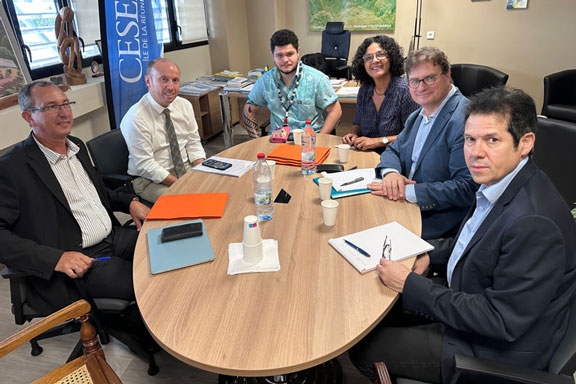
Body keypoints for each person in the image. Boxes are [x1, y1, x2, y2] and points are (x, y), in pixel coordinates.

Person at [350, 87, 576, 383]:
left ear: (525, 143)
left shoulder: (533, 222)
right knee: (373, 312)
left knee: (364, 348)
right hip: (470, 297)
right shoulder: (503, 179)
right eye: (470, 139)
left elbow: (500, 320)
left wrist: (411, 284)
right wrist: (430, 254)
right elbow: (474, 243)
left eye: (492, 140)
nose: (475, 152)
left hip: (493, 347)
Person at [0, 80, 150, 316]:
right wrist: (55, 258)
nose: (64, 113)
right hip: (79, 257)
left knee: (166, 251)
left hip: (113, 235)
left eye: (66, 104)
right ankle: (153, 344)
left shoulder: (75, 146)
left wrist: (129, 202)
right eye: (51, 107)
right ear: (28, 117)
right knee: (147, 285)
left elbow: (97, 192)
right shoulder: (11, 168)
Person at [368, 47, 477, 240]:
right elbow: (393, 149)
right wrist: (391, 173)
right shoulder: (418, 114)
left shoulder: (465, 120)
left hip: (437, 219)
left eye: (429, 78)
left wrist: (408, 191)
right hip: (405, 205)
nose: (421, 87)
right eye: (415, 81)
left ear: (447, 75)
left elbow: (467, 188)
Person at [121, 58, 206, 203]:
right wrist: (182, 184)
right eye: (164, 80)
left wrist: (202, 171)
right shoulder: (136, 117)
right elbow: (146, 165)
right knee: (188, 202)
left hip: (185, 167)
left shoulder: (184, 105)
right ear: (148, 81)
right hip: (149, 180)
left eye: (175, 80)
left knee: (217, 187)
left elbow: (193, 143)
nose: (171, 87)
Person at [243, 29, 342, 138]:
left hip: (309, 140)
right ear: (272, 56)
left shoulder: (317, 79)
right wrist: (255, 139)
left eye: (290, 54)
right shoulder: (265, 81)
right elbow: (249, 109)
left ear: (298, 51)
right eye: (279, 55)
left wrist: (319, 138)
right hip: (277, 141)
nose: (285, 60)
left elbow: (335, 111)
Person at [342, 36, 419, 154]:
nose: (375, 60)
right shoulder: (364, 91)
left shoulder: (405, 91)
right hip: (366, 154)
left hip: (396, 157)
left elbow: (413, 135)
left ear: (391, 58)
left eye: (380, 54)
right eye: (368, 57)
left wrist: (378, 141)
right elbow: (357, 123)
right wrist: (353, 133)